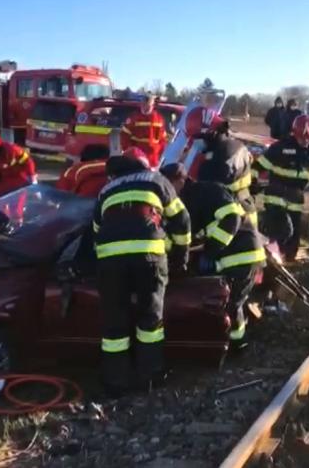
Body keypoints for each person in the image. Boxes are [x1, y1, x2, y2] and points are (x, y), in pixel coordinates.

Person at [93, 148, 191, 396]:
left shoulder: (107, 189)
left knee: (114, 323)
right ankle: (150, 376)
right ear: (146, 165)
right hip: (148, 255)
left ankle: (115, 382)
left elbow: (96, 229)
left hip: (110, 257)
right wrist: (180, 256)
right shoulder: (156, 180)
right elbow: (181, 219)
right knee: (150, 319)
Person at [161, 163, 265, 351]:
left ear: (181, 180)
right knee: (222, 301)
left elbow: (232, 218)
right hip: (227, 256)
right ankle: (227, 341)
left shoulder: (207, 192)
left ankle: (237, 344)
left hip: (243, 254)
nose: (166, 191)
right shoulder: (183, 201)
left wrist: (211, 250)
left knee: (231, 303)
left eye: (168, 185)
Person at [254, 114, 309, 262]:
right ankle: (270, 260)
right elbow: (257, 167)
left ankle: (285, 261)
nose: (305, 141)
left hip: (296, 198)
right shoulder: (280, 148)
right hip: (276, 195)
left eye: (308, 138)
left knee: (293, 241)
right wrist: (252, 184)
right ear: (294, 134)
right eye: (301, 138)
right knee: (283, 230)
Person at [0, 131, 37, 197]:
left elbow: (28, 161)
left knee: (17, 200)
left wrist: (32, 176)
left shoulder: (13, 150)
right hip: (3, 180)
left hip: (18, 177)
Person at [120, 94, 167, 168]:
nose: (146, 108)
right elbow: (124, 136)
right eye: (144, 105)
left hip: (153, 159)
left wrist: (160, 152)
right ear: (141, 105)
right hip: (137, 157)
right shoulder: (134, 118)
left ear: (153, 105)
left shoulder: (159, 119)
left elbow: (162, 140)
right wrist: (130, 152)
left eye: (149, 106)